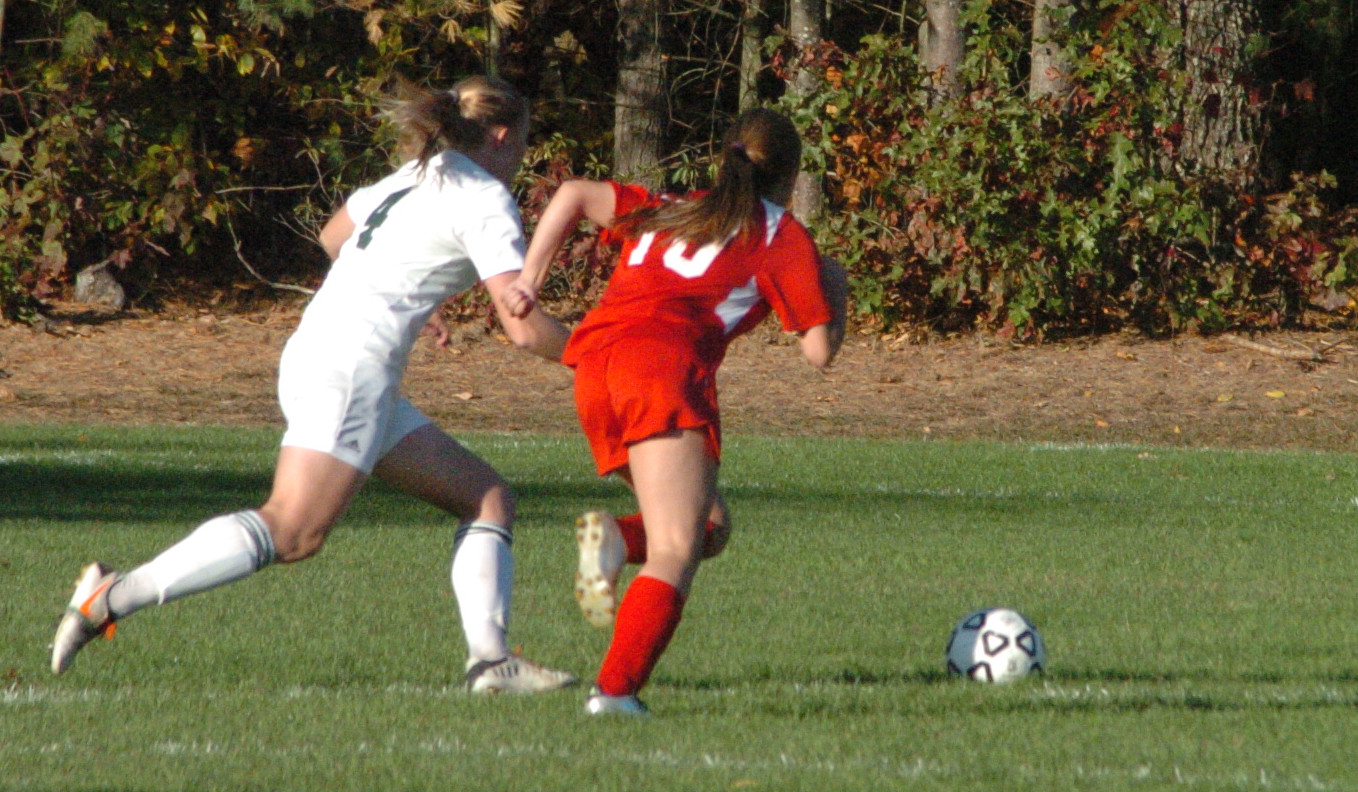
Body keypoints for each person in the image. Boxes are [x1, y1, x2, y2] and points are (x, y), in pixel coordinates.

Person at [48, 77, 577, 694]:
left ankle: (491, 662)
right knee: (294, 530)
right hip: (352, 371)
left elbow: (333, 236)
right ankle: (113, 596)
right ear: (504, 136)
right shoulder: (483, 197)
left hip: (316, 355)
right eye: (525, 144)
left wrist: (413, 292)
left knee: (486, 498)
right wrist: (593, 355)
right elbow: (522, 327)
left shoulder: (410, 176)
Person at [516, 108, 848, 716]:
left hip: (593, 368)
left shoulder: (673, 206)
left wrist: (528, 282)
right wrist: (836, 288)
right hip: (659, 371)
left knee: (709, 524)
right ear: (792, 174)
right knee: (676, 545)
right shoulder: (778, 233)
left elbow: (573, 194)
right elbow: (819, 352)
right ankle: (615, 694)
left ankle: (614, 539)